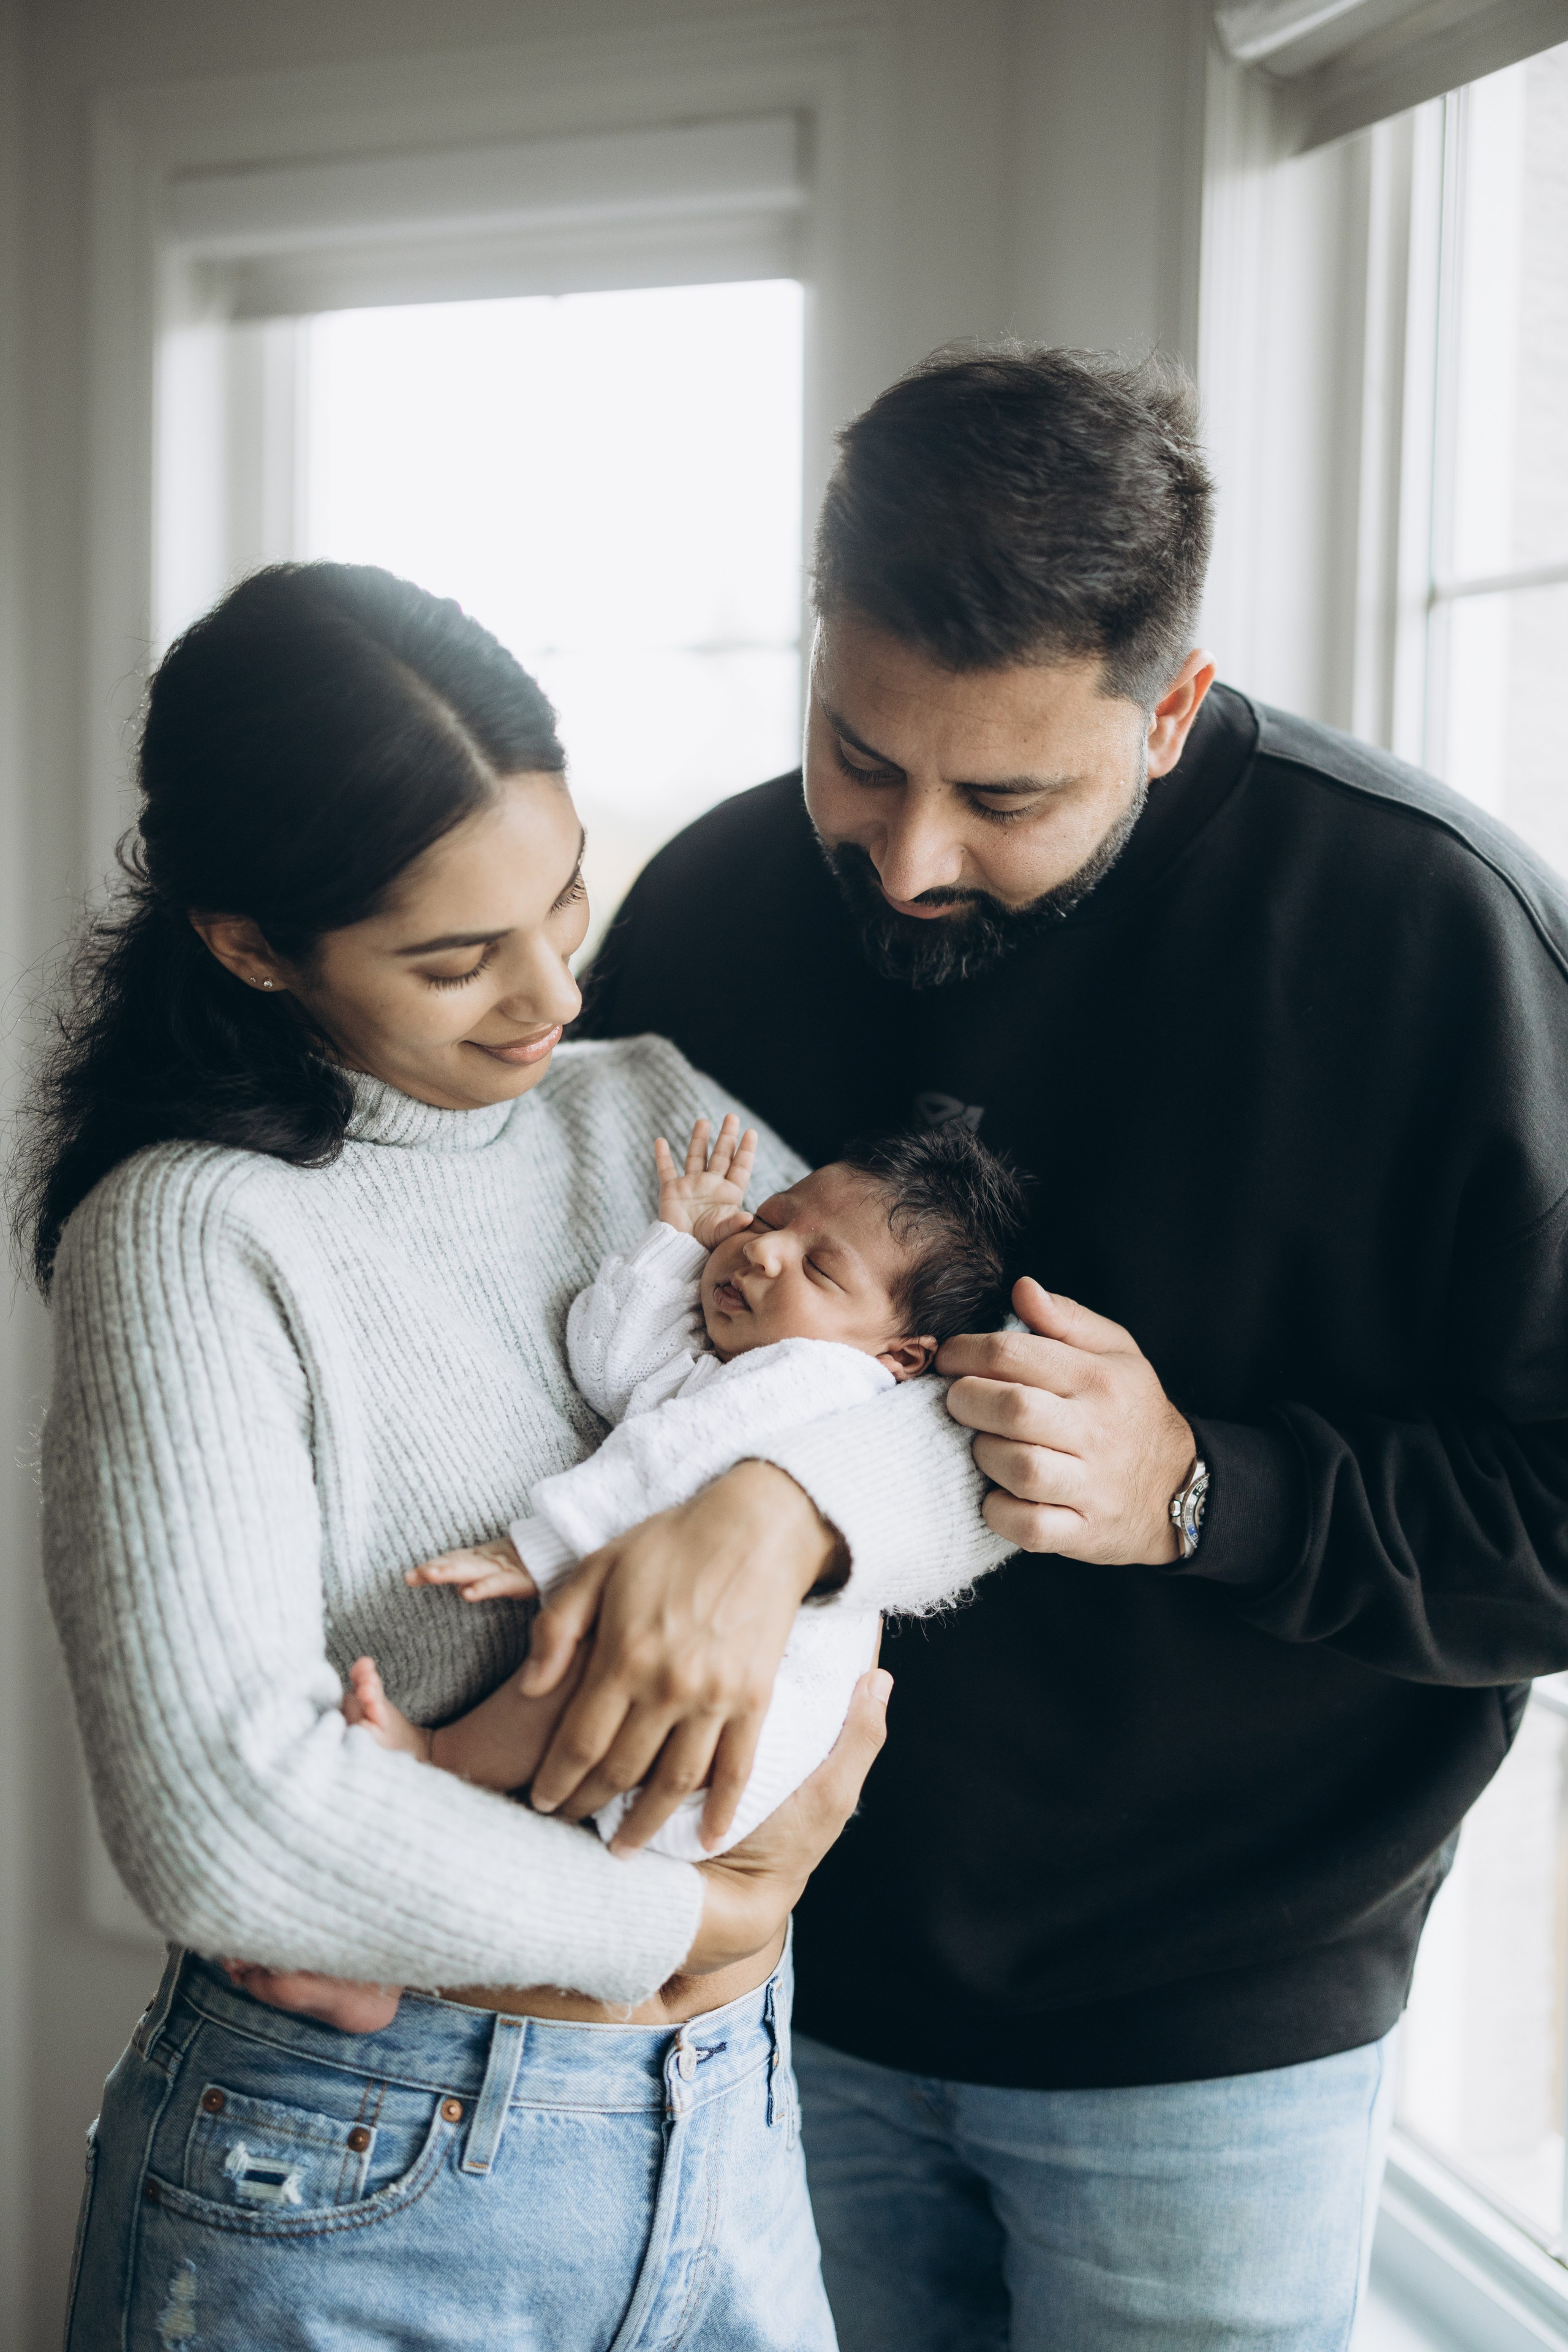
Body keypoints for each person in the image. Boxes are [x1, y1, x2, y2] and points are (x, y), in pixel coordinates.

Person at [579, 344, 1568, 2350]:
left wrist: (1206, 1488)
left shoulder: (1438, 937)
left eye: (1007, 795)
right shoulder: (712, 910)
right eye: (859, 755)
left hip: (1215, 2038)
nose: (909, 855)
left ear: (1173, 710)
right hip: (754, 1980)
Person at [20, 560, 1007, 2350]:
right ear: (251, 945)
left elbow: (945, 1409)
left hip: (728, 2128)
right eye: (456, 958)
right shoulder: (192, 1237)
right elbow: (223, 1819)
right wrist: (678, 1925)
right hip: (353, 2175)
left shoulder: (646, 1111)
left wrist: (775, 1513)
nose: (552, 991)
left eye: (563, 900)